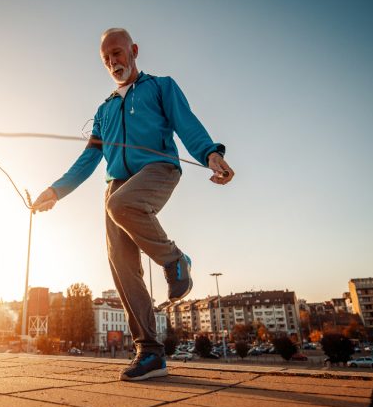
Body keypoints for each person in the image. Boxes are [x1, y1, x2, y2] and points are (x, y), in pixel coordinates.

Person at [32, 28, 234, 381]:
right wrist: (56, 191)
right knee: (122, 264)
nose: (113, 61)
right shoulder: (104, 110)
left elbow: (187, 124)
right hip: (116, 186)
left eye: (118, 53)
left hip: (158, 170)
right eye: (106, 58)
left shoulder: (160, 87)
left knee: (121, 204)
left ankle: (175, 260)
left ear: (134, 50)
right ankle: (150, 353)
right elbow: (88, 159)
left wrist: (210, 154)